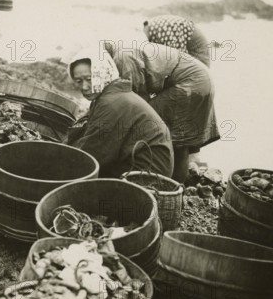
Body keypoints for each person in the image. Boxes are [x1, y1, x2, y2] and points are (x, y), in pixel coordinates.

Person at [105, 41, 220, 183]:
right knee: (178, 134)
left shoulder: (122, 58)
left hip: (191, 83)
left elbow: (136, 101)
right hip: (200, 79)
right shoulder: (123, 49)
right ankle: (178, 180)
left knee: (167, 131)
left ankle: (174, 183)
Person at [65, 48, 174, 179]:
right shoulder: (110, 95)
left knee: (77, 173)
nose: (84, 87)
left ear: (104, 73)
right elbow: (86, 132)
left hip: (147, 175)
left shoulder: (111, 103)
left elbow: (91, 154)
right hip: (137, 163)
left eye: (89, 78)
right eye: (78, 81)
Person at [143, 15, 210, 67]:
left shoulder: (159, 30)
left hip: (196, 53)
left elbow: (175, 58)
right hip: (192, 44)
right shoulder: (152, 27)